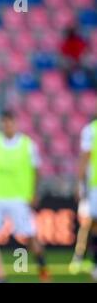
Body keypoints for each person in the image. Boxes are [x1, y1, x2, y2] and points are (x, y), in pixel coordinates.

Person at [0, 111, 50, 282]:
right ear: (0, 124)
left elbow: (36, 171)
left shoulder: (28, 145)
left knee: (30, 234)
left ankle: (42, 267)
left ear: (16, 123)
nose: (7, 126)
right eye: (4, 122)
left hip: (19, 198)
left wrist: (34, 193)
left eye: (10, 122)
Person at [74, 117, 97, 280]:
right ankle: (83, 256)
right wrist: (81, 185)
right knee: (90, 223)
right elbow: (85, 158)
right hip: (94, 186)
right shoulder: (91, 130)